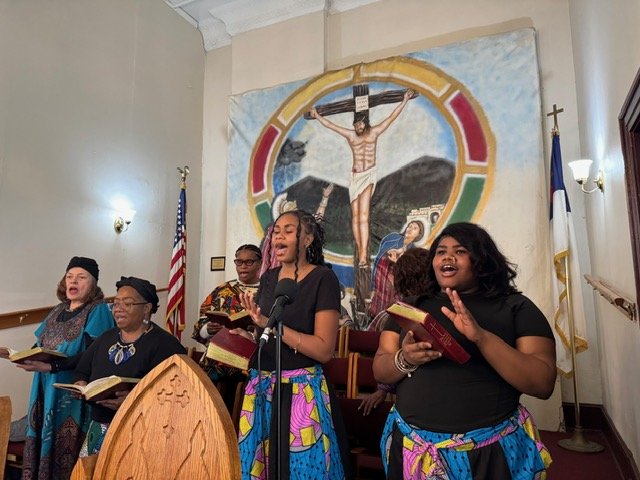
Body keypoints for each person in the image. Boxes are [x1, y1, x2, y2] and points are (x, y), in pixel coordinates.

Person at [373, 222, 556, 479]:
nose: (447, 257)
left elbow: (542, 383)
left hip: (488, 454)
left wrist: (482, 337)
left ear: (482, 260)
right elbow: (380, 370)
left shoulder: (516, 308)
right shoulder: (410, 307)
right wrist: (404, 359)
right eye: (441, 251)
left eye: (459, 251)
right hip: (413, 450)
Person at [236, 209, 348, 480]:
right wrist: (245, 337)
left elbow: (324, 350)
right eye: (276, 232)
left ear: (307, 239)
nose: (279, 237)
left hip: (300, 390)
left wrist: (273, 326)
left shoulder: (323, 279)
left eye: (288, 231)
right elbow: (265, 334)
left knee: (300, 471)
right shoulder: (269, 278)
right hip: (261, 387)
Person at [0, 256, 114, 480]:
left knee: (66, 451)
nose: (74, 281)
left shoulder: (98, 310)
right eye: (69, 276)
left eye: (81, 277)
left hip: (71, 393)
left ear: (93, 284)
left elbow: (93, 355)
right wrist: (15, 355)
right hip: (44, 387)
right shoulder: (57, 310)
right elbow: (38, 346)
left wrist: (53, 365)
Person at [74, 276, 186, 456]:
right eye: (116, 303)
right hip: (98, 428)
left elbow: (177, 395)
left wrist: (134, 403)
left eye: (127, 303)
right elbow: (82, 370)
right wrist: (80, 384)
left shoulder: (166, 346)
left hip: (142, 433)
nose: (118, 309)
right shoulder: (106, 338)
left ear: (146, 308)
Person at [310, 89, 414, 268]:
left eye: (360, 124)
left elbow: (391, 118)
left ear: (366, 122)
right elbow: (331, 126)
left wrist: (404, 100)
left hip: (368, 175)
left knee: (364, 216)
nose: (358, 127)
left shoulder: (374, 132)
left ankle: (364, 255)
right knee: (355, 216)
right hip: (355, 177)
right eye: (355, 124)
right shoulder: (351, 135)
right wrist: (317, 116)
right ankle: (360, 250)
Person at [191, 244, 262, 412]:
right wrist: (208, 328)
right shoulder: (222, 290)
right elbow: (201, 321)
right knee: (209, 408)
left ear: (259, 263)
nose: (243, 266)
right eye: (239, 262)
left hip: (252, 362)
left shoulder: (267, 291)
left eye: (249, 262)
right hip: (218, 361)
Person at [360, 247, 431, 416]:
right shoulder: (401, 312)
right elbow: (384, 363)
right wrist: (383, 389)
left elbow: (385, 358)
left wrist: (383, 388)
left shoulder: (401, 312)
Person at [369, 219, 426, 322]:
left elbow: (409, 277)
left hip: (396, 288)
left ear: (419, 234)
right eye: (410, 226)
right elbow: (378, 260)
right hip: (381, 283)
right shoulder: (392, 238)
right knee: (376, 314)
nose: (410, 229)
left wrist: (397, 262)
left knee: (392, 316)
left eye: (415, 228)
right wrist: (373, 286)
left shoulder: (413, 252)